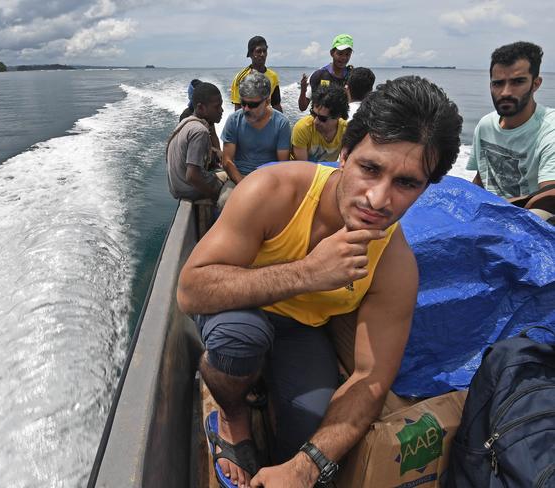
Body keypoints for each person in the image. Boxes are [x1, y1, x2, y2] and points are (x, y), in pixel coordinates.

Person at [178, 76, 462, 488]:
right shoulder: (274, 191)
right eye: (370, 168)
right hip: (237, 312)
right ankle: (231, 414)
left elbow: (372, 377)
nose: (379, 200)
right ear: (344, 154)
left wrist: (305, 466)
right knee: (241, 336)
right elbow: (191, 291)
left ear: (425, 188)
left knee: (311, 428)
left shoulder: (394, 263)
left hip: (300, 331)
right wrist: (309, 273)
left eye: (406, 183)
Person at [468, 41, 555, 217]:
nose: (506, 92)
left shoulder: (549, 129)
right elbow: (481, 179)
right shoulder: (485, 125)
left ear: (536, 84)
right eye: (498, 83)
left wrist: (490, 208)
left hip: (529, 219)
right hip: (487, 215)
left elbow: (548, 199)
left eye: (517, 82)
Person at [221, 72, 291, 184]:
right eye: (243, 103)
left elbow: (282, 165)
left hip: (269, 179)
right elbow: (227, 161)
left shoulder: (281, 124)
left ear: (267, 101)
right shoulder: (234, 120)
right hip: (239, 176)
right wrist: (243, 184)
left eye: (253, 105)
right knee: (224, 201)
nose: (246, 109)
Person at [166, 82, 225, 201]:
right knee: (236, 188)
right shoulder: (200, 131)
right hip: (189, 190)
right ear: (201, 108)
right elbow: (192, 176)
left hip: (178, 187)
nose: (221, 110)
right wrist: (214, 196)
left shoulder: (186, 122)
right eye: (217, 106)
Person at [290, 85, 349, 162]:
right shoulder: (303, 128)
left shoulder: (346, 130)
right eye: (313, 114)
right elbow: (302, 167)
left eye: (322, 118)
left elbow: (345, 163)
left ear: (337, 117)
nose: (316, 121)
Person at [298, 34, 354, 112]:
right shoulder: (319, 75)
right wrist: (303, 90)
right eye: (340, 54)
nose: (344, 58)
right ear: (332, 53)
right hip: (321, 121)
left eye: (347, 54)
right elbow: (302, 107)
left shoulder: (352, 76)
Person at [231, 36, 283, 112]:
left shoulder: (273, 76)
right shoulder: (241, 78)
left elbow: (276, 104)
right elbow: (238, 107)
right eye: (258, 51)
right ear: (251, 54)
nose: (262, 54)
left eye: (264, 51)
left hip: (266, 120)